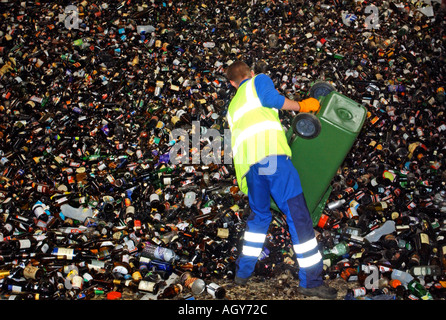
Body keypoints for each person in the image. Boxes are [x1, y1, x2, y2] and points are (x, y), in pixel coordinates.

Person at [225, 60, 337, 299]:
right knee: (297, 215)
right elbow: (271, 100)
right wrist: (301, 106)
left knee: (259, 219)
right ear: (250, 73)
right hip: (271, 159)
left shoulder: (232, 108)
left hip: (250, 169)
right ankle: (311, 282)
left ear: (232, 83)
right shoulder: (258, 80)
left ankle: (242, 274)